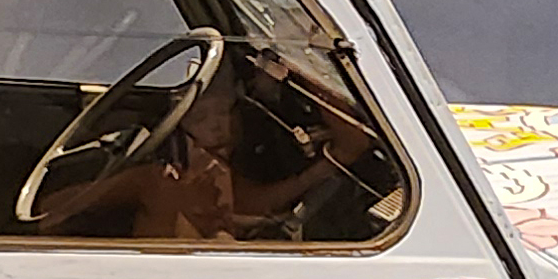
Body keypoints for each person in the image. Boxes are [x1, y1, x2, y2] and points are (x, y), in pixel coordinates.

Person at [33, 68, 374, 242]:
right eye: (200, 118)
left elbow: (251, 205)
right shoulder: (157, 179)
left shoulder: (214, 169)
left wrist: (309, 76)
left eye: (223, 114)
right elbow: (51, 212)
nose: (216, 127)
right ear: (178, 124)